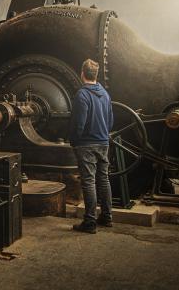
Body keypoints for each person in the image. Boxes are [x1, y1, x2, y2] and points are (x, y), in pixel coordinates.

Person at [69, 58, 114, 234]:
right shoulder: (105, 93)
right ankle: (107, 217)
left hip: (86, 144)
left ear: (82, 74)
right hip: (103, 142)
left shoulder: (82, 95)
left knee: (88, 182)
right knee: (103, 179)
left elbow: (79, 123)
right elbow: (110, 120)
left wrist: (74, 140)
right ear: (95, 74)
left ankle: (89, 222)